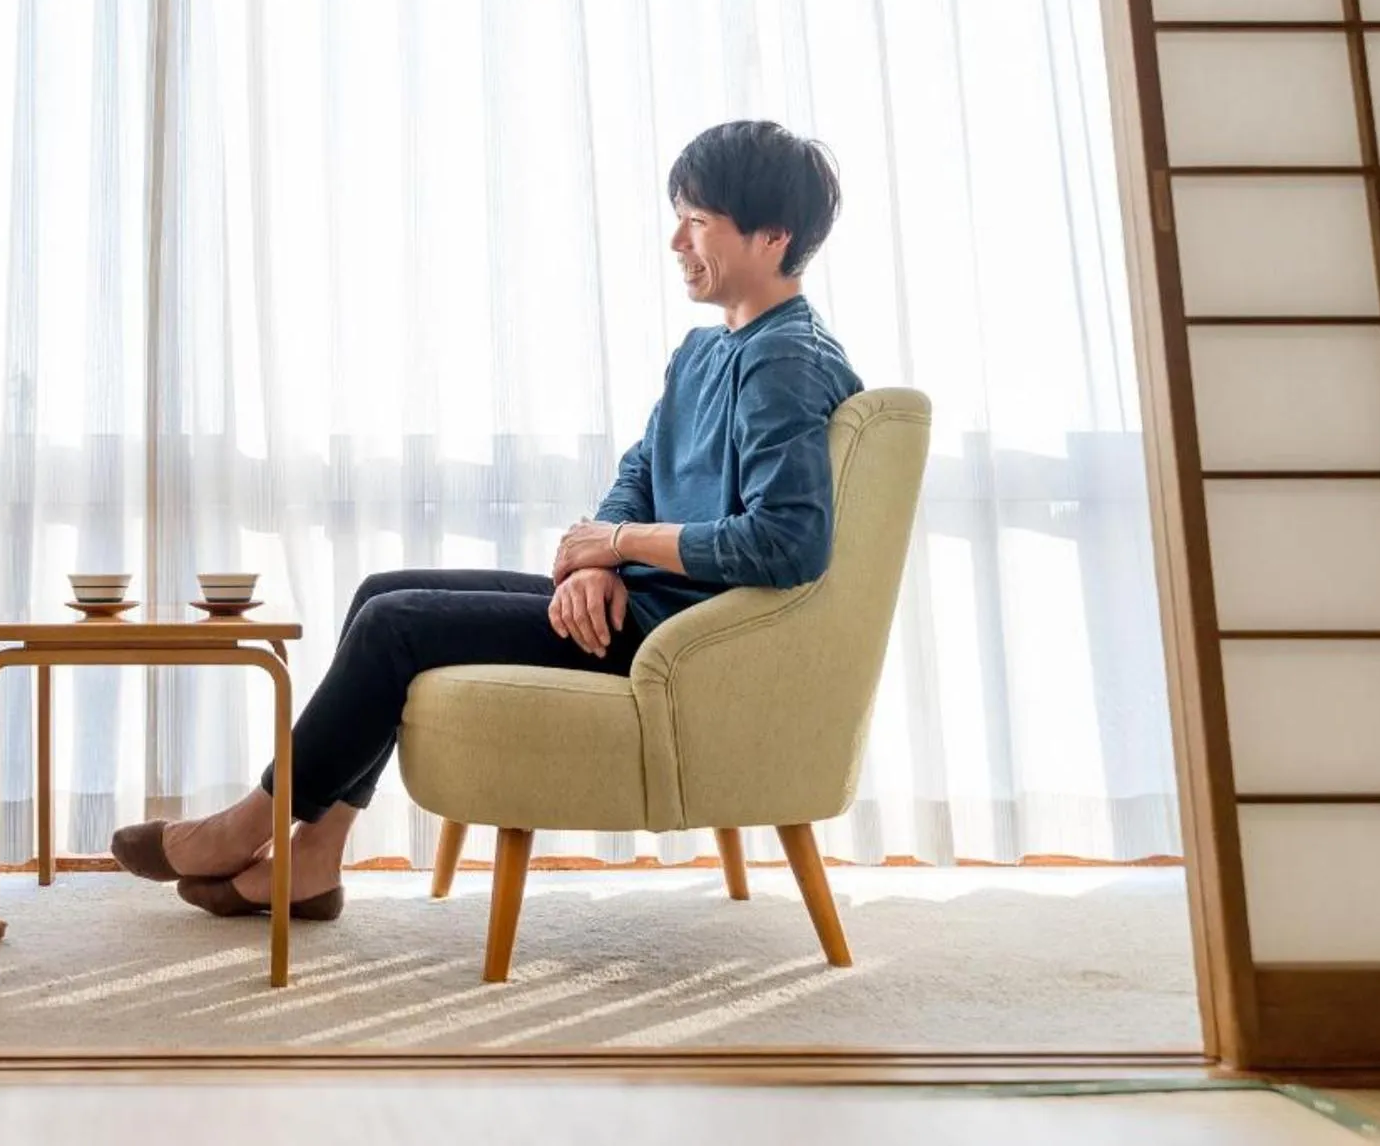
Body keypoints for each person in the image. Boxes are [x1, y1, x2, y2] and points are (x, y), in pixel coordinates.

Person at [110, 120, 863, 919]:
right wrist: (594, 562)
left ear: (772, 236)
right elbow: (641, 471)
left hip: (679, 640)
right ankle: (315, 858)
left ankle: (249, 824)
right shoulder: (708, 351)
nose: (676, 239)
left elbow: (788, 542)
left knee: (396, 626)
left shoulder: (788, 360)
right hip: (635, 599)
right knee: (382, 591)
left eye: (699, 221)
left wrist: (616, 544)